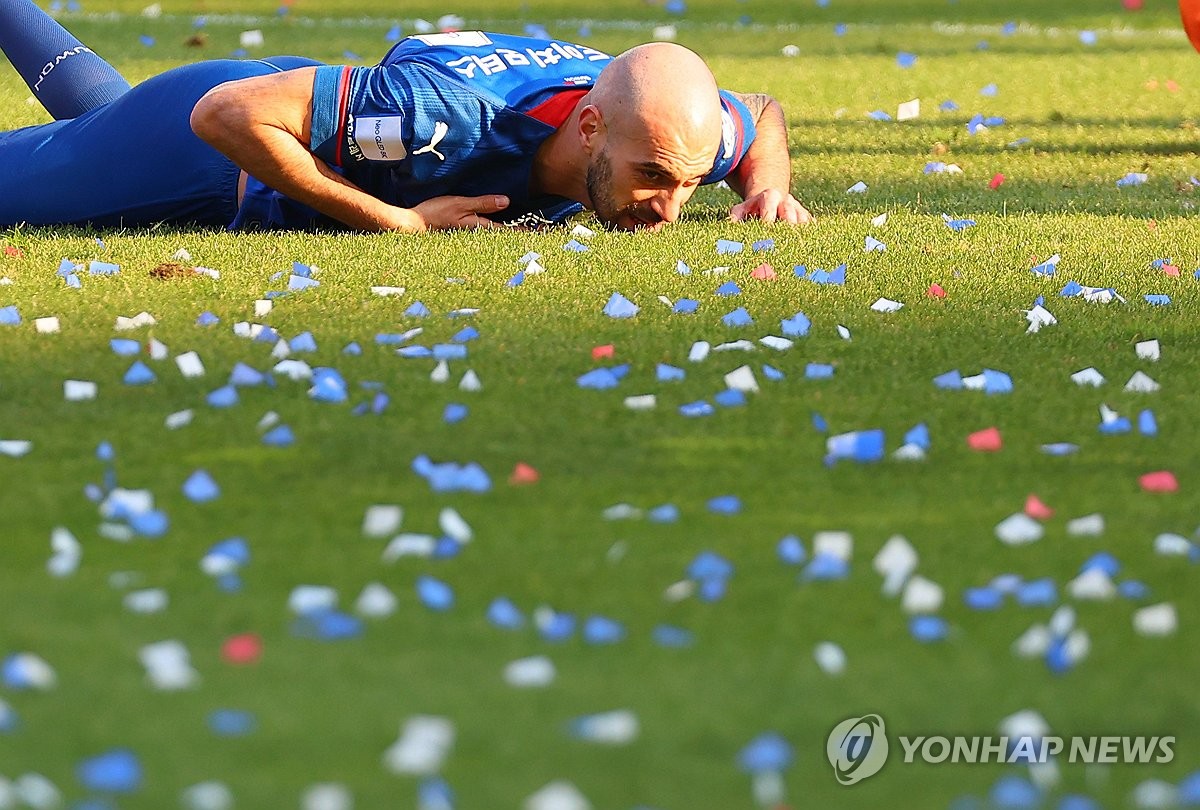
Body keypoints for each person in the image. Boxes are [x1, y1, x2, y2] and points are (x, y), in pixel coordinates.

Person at [0, 0, 812, 232]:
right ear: (591, 128)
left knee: (98, 112)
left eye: (687, 182)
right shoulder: (448, 118)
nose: (669, 208)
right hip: (199, 155)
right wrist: (397, 220)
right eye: (652, 180)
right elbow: (226, 115)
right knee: (87, 145)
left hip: (299, 103)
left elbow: (762, 112)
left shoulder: (669, 127)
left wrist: (767, 186)